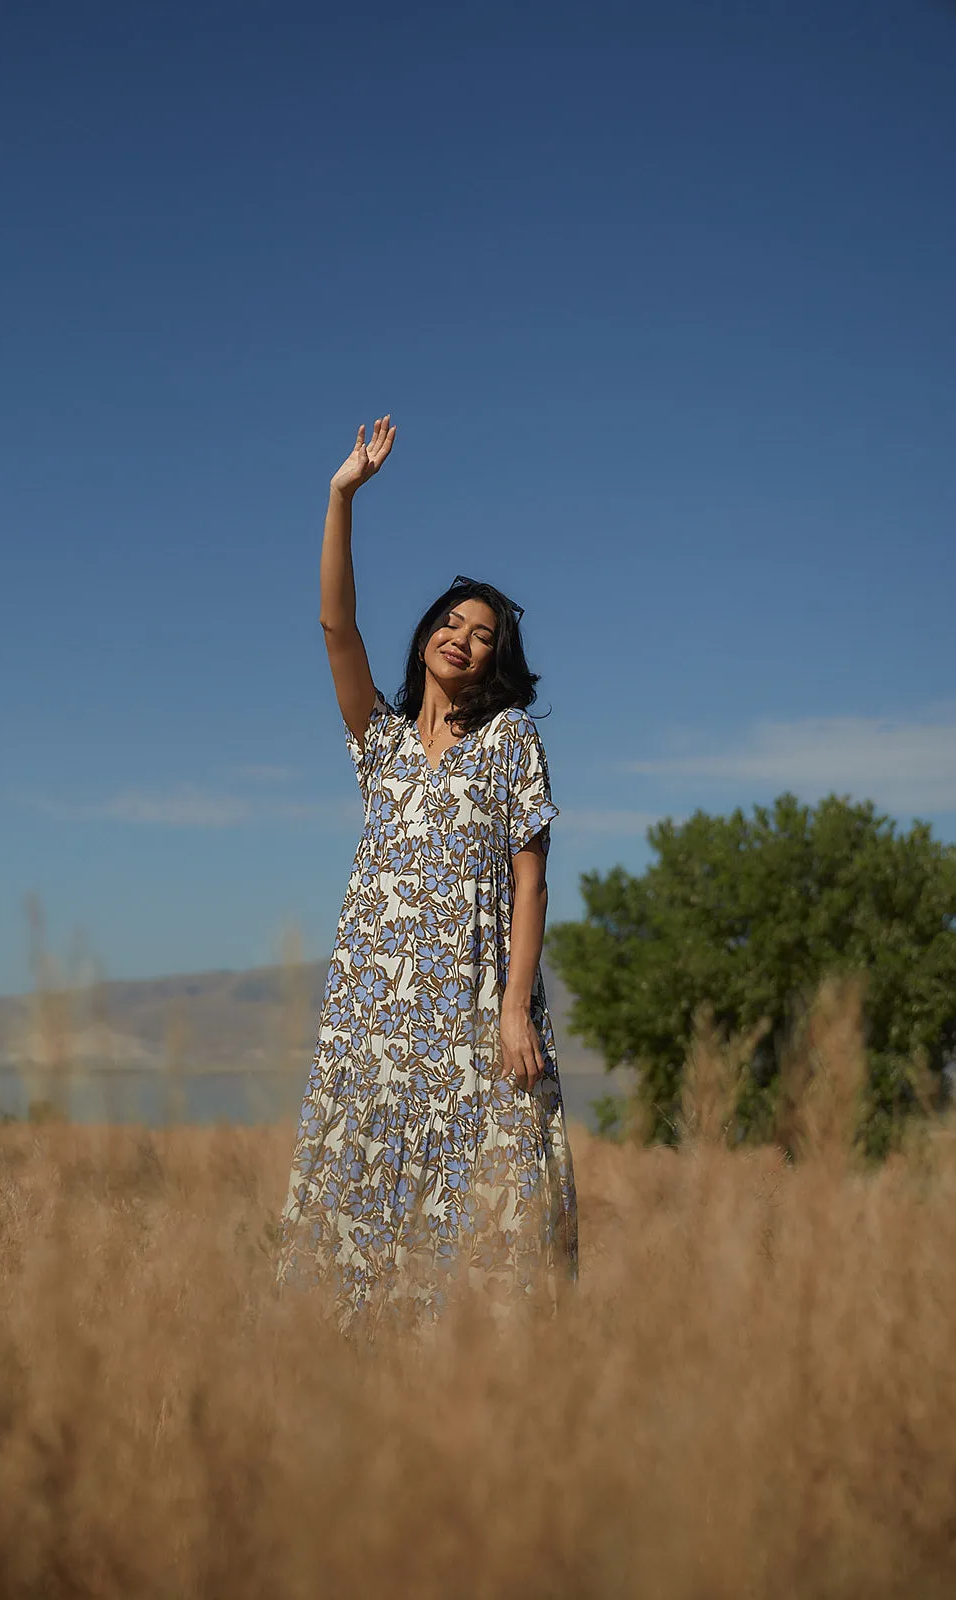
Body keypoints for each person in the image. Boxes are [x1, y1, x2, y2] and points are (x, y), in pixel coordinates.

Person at [276, 416, 577, 1323]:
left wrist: (516, 1007)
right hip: (372, 1021)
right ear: (422, 642)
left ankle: (486, 1408)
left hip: (475, 1015)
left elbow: (531, 879)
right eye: (448, 623)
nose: (461, 638)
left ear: (498, 658)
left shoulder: (511, 741)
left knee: (492, 1219)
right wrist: (341, 496)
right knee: (361, 1223)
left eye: (481, 633)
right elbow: (335, 623)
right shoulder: (382, 747)